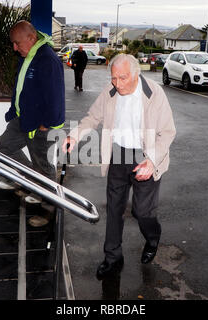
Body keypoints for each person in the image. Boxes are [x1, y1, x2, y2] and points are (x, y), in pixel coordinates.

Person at [62, 54, 176, 280]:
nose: (117, 83)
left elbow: (168, 132)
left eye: (122, 78)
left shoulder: (154, 94)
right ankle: (113, 257)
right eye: (114, 78)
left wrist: (152, 160)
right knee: (114, 209)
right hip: (118, 156)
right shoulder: (110, 92)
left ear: (136, 74)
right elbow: (92, 117)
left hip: (146, 157)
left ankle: (152, 237)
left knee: (142, 212)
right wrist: (74, 136)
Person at [0, 21, 65, 227]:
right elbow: (21, 87)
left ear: (31, 38)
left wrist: (46, 124)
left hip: (41, 125)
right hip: (23, 118)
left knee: (43, 166)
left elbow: (56, 96)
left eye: (17, 43)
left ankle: (48, 210)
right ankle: (33, 180)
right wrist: (12, 112)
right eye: (13, 44)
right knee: (3, 146)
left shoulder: (48, 59)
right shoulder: (28, 55)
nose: (15, 48)